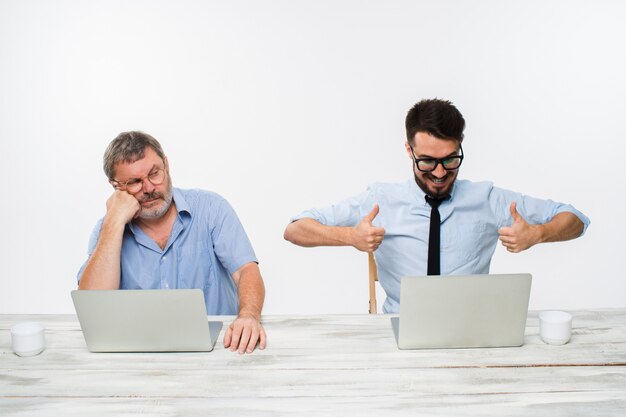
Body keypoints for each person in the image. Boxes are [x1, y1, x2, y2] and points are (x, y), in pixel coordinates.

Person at [284, 98, 590, 313]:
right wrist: (349, 238)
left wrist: (538, 233)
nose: (440, 173)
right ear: (409, 150)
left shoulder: (487, 198)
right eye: (428, 161)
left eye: (450, 160)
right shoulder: (380, 199)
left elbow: (575, 219)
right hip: (399, 325)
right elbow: (295, 229)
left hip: (471, 327)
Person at [78, 131, 266, 354]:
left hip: (220, 349)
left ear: (166, 165)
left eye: (154, 173)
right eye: (135, 182)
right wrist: (115, 221)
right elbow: (95, 307)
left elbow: (246, 270)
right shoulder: (106, 231)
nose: (149, 188)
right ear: (116, 187)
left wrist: (249, 316)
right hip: (139, 354)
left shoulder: (211, 209)